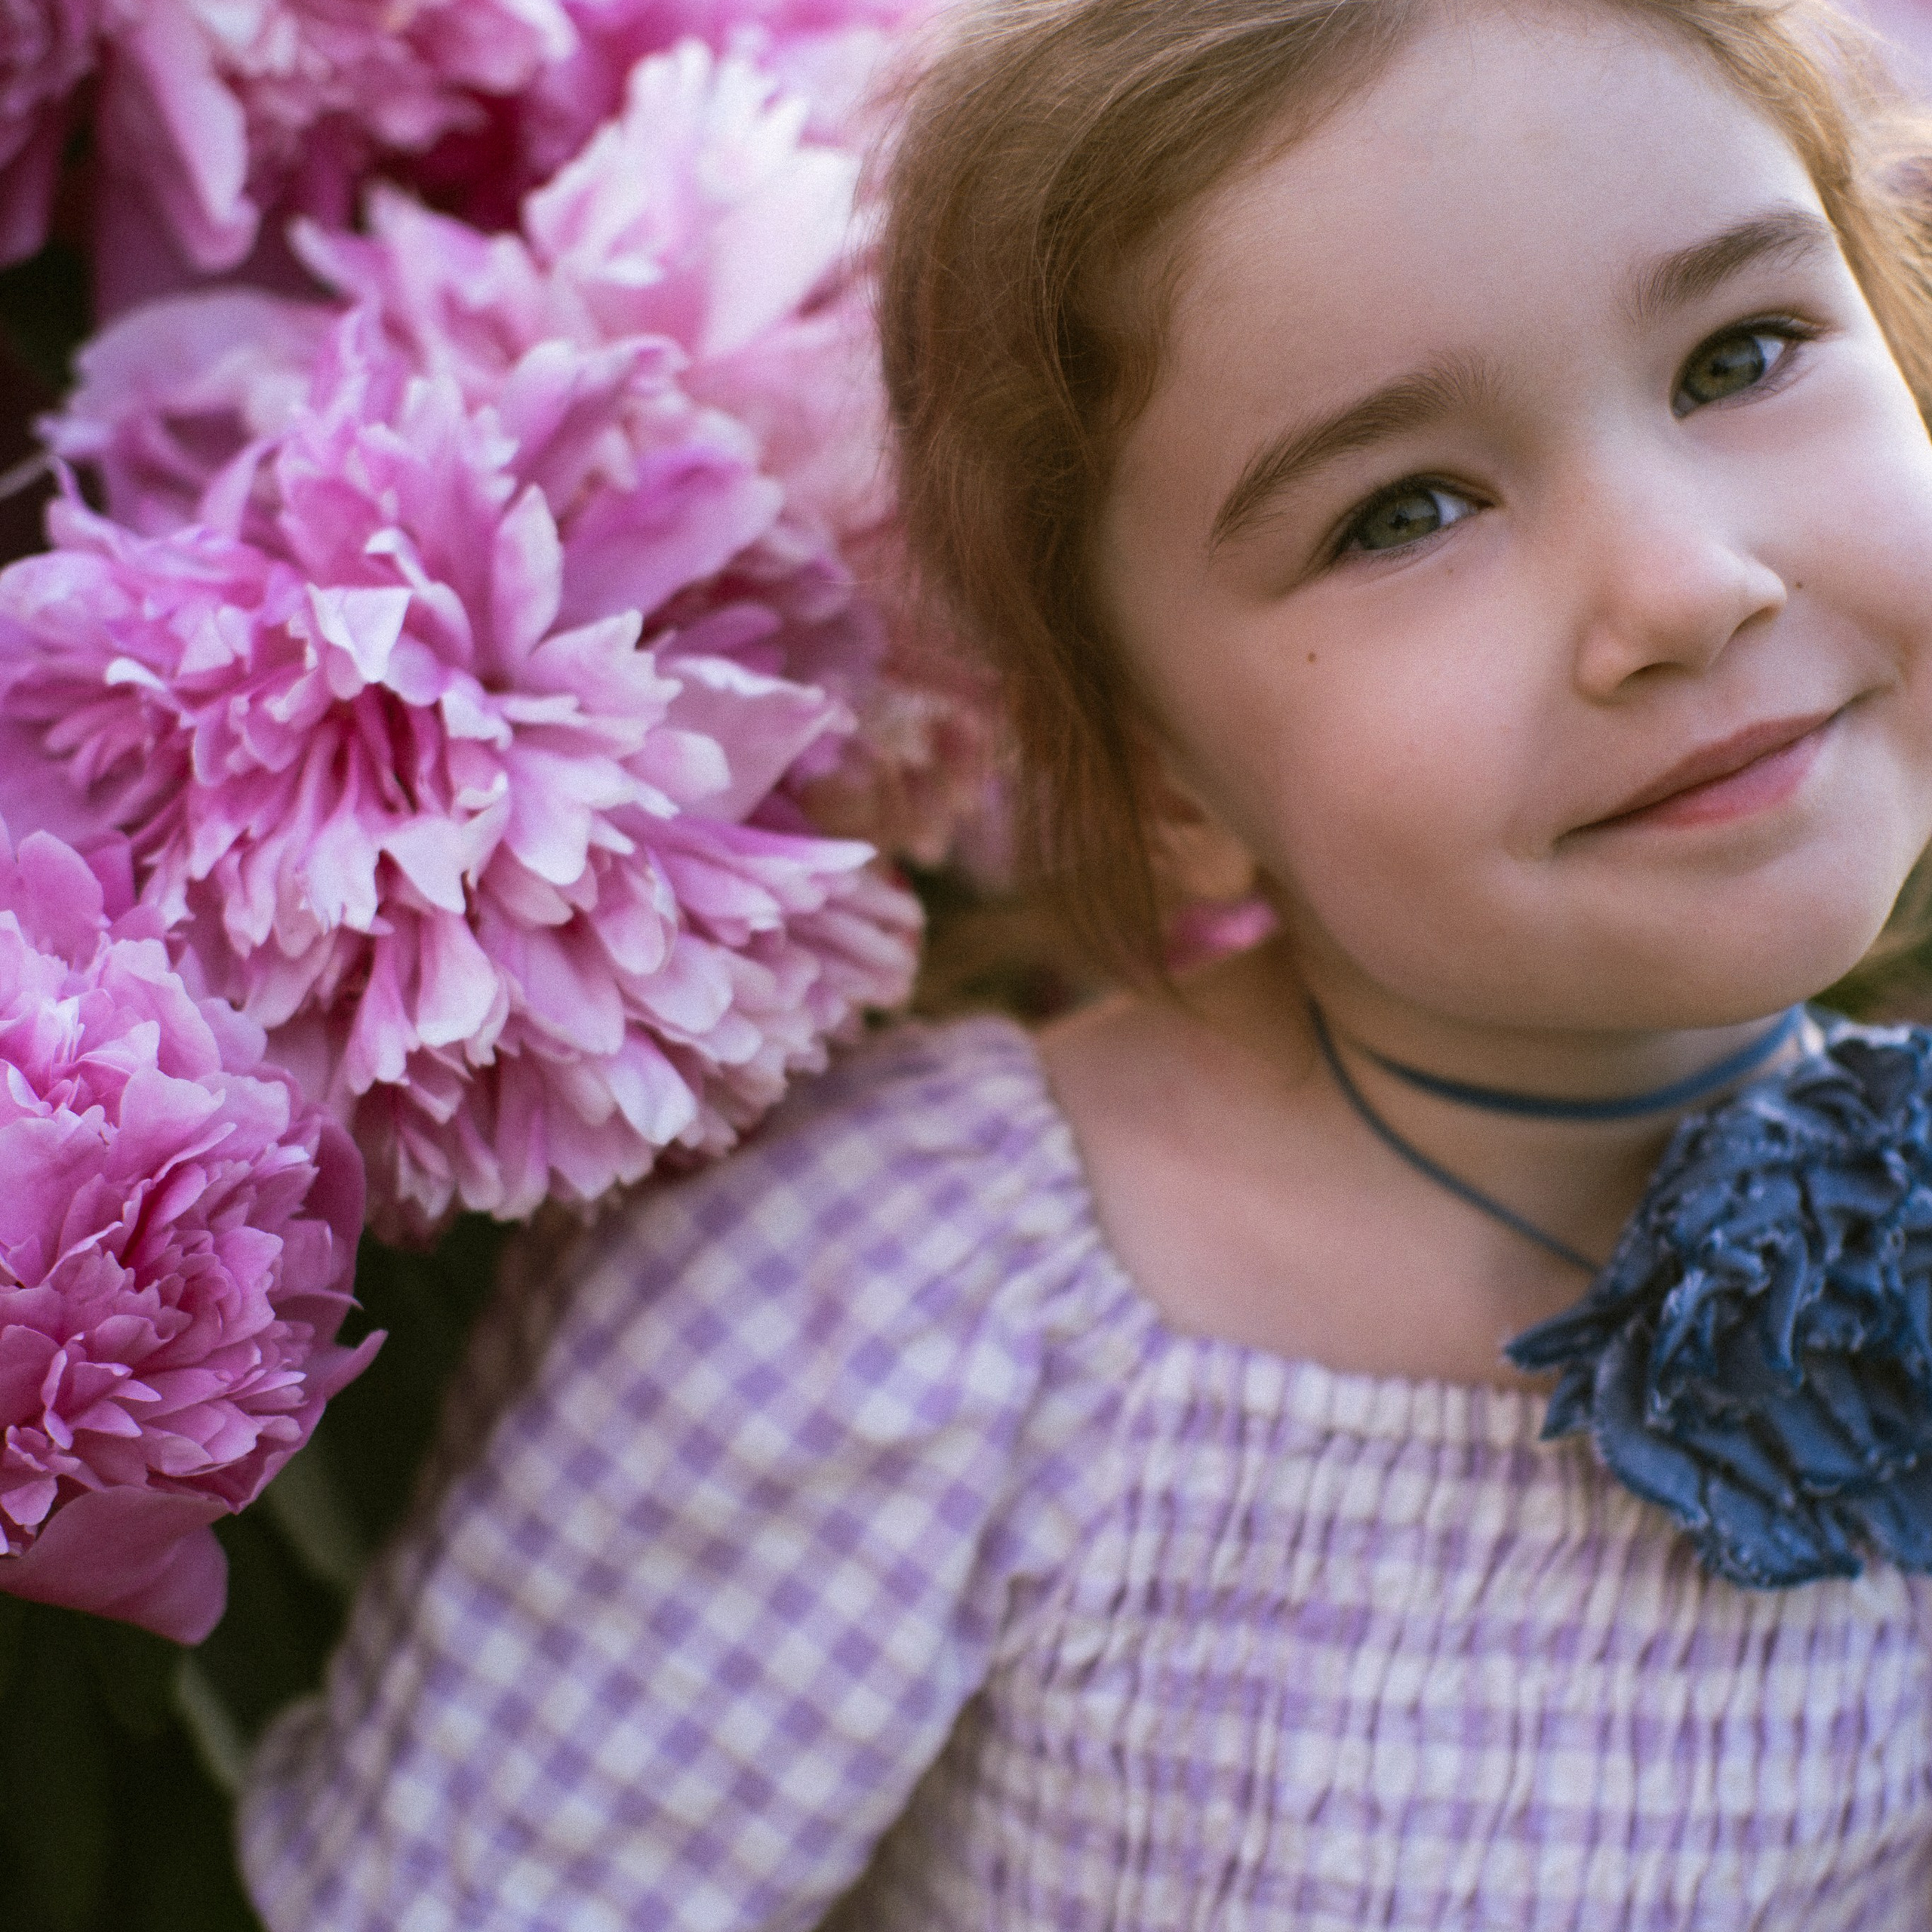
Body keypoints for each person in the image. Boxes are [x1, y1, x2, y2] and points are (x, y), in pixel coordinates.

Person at [238, 0, 1932, 1923]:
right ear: (1153, 773)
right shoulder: (905, 1312)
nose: (1688, 585)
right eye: (1402, 511)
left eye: (1740, 353)